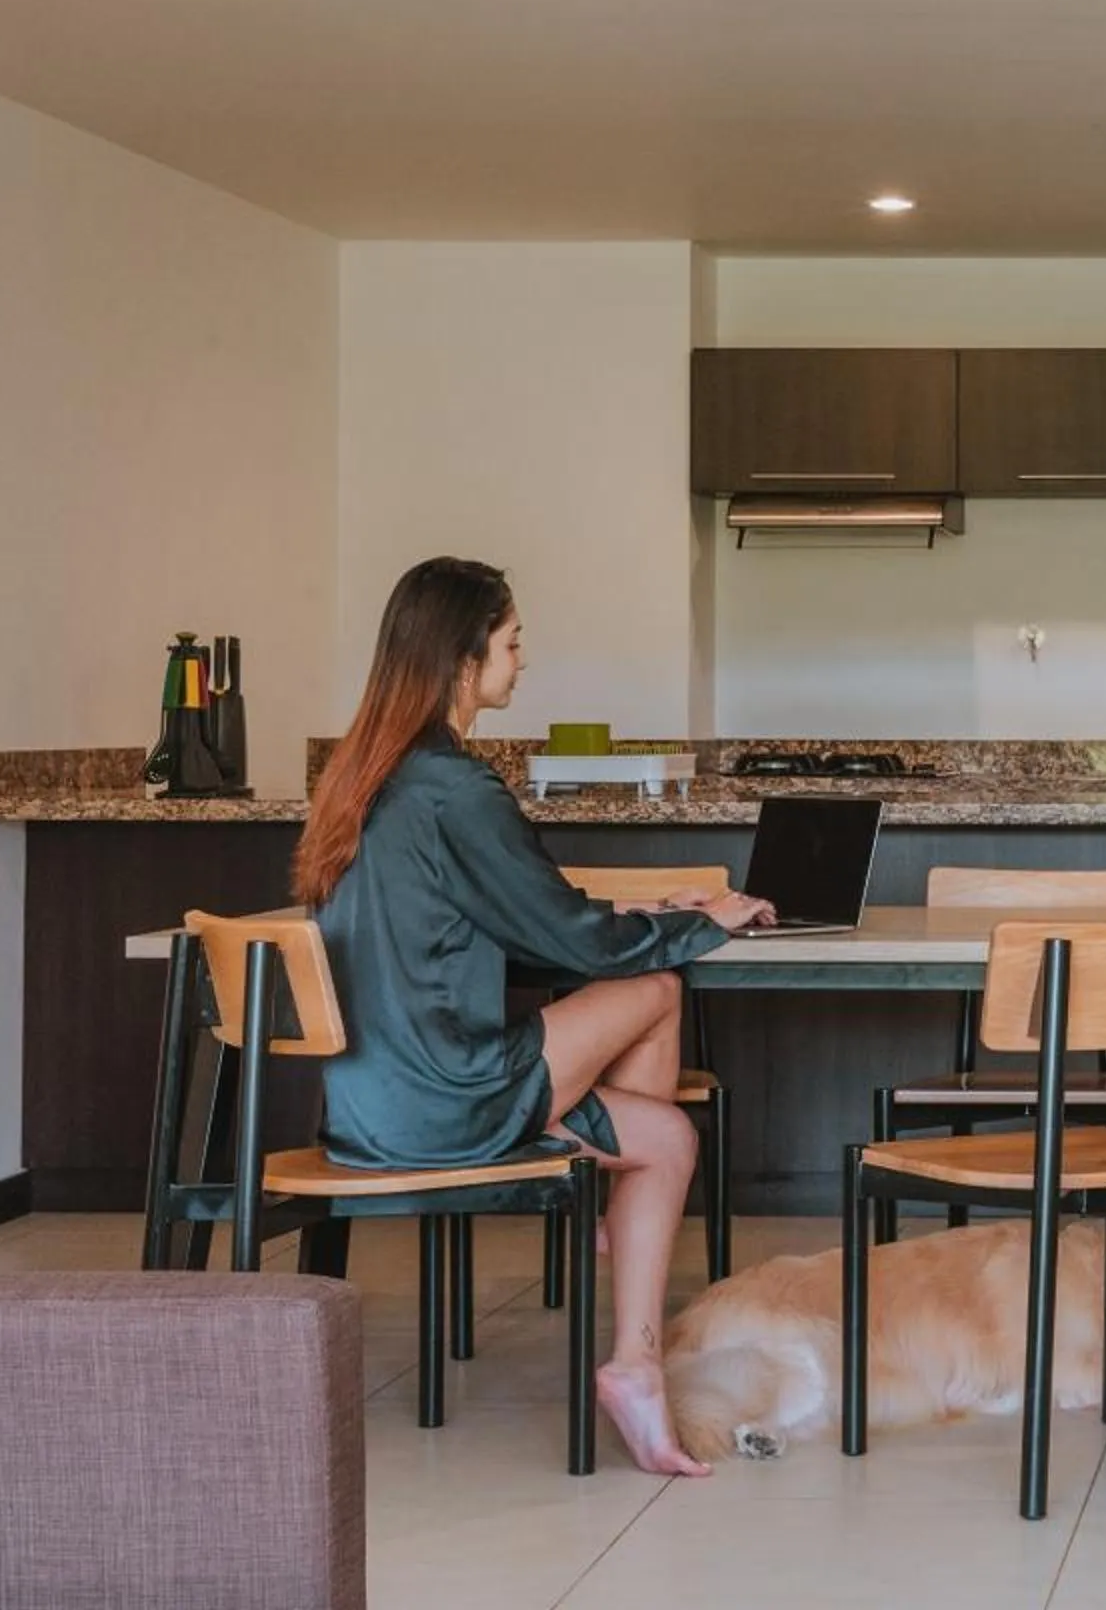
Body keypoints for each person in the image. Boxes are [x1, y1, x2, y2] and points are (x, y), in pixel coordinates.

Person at [293, 556, 774, 1475]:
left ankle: (627, 1306)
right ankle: (610, 1229)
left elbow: (510, 927)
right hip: (444, 1097)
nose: (524, 659)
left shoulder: (363, 778)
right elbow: (578, 942)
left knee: (666, 1133)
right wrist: (697, 920)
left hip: (366, 1108)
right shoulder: (452, 787)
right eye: (512, 643)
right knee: (661, 992)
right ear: (463, 658)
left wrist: (648, 918)